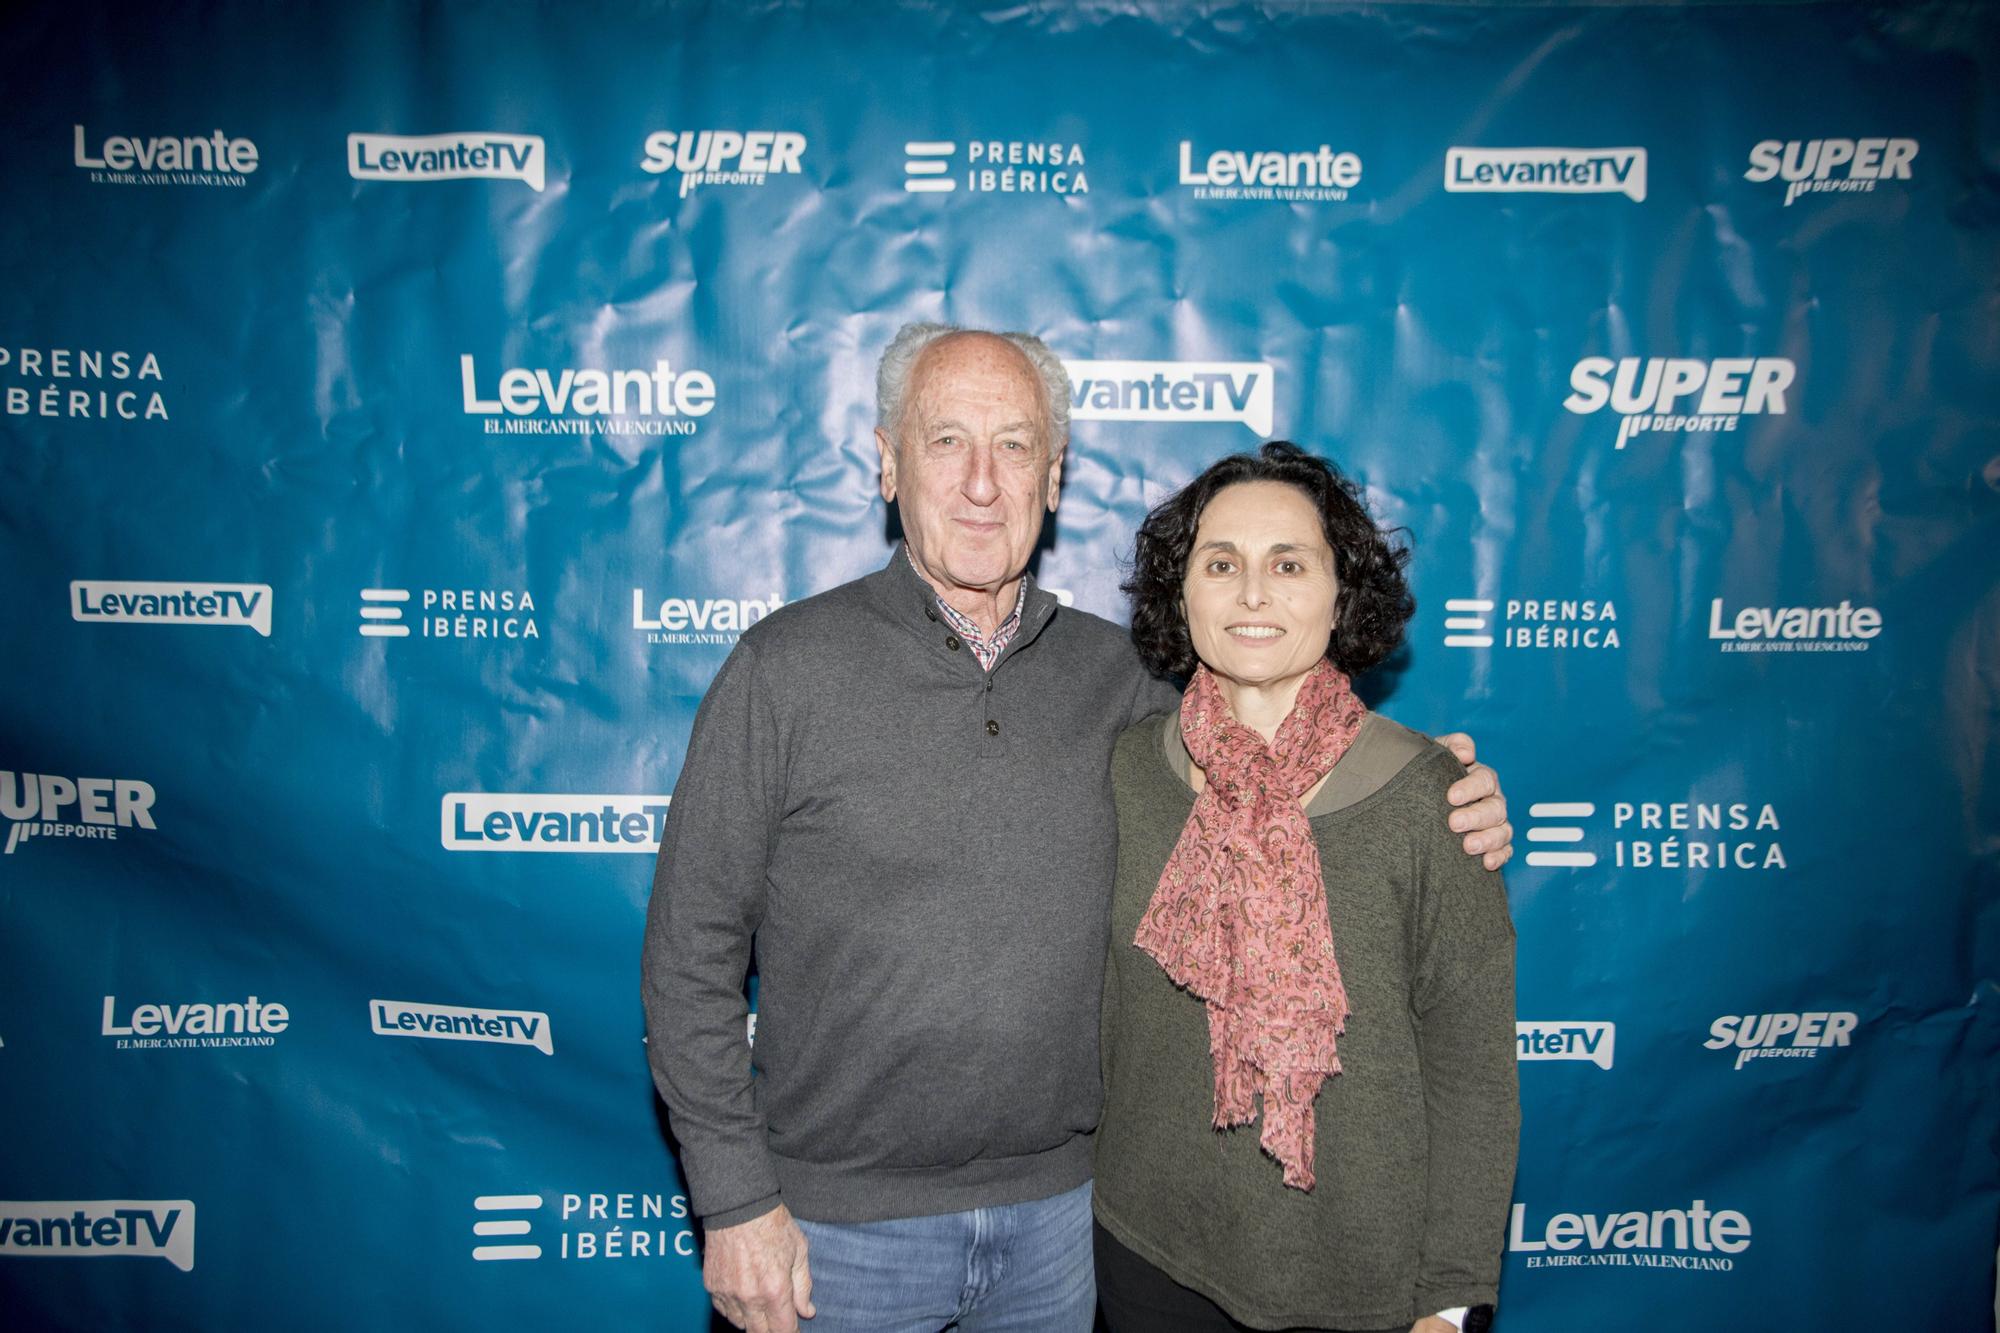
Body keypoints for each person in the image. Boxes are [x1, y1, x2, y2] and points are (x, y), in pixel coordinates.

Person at [641, 325, 1515, 1333]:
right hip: (836, 1231)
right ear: (886, 462)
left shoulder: (1127, 689)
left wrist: (1448, 787)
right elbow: (687, 958)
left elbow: (1278, 725)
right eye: (944, 442)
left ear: (1053, 478)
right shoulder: (781, 672)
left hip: (1059, 1232)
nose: (981, 482)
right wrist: (735, 1199)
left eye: (1013, 445)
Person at [1092, 442, 1519, 1333]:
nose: (1253, 594)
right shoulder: (1130, 770)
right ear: (1183, 595)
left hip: (1361, 1285)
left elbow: (1473, 1074)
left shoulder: (1431, 797)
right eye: (1221, 564)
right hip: (1149, 1257)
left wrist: (1450, 1300)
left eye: (1289, 563)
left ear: (1341, 593)